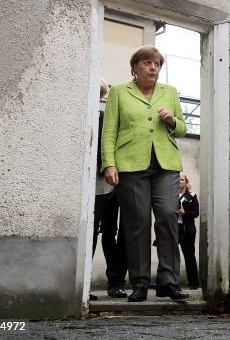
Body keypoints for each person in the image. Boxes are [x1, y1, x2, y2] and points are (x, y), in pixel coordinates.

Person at [101, 45, 189, 302]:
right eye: (148, 63)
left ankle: (168, 281)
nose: (153, 68)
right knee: (137, 224)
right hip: (130, 165)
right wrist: (109, 163)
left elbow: (182, 128)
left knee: (167, 216)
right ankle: (140, 283)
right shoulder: (118, 92)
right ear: (135, 67)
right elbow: (109, 132)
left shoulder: (170, 92)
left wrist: (172, 120)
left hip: (166, 164)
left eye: (158, 64)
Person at [91, 80, 127, 300]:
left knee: (111, 235)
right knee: (92, 234)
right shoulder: (85, 115)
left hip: (110, 186)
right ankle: (84, 284)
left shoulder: (107, 117)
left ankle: (115, 283)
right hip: (91, 190)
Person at [177, 172, 200, 289]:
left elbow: (196, 213)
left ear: (186, 182)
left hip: (187, 230)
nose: (179, 181)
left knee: (189, 256)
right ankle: (169, 283)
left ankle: (194, 284)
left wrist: (184, 213)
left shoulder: (191, 195)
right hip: (174, 229)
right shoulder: (171, 195)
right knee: (170, 255)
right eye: (178, 179)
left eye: (181, 179)